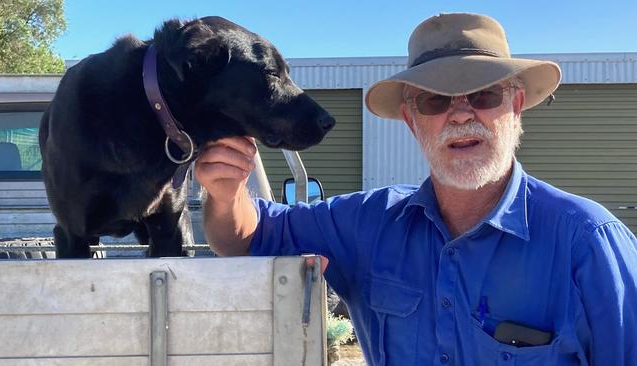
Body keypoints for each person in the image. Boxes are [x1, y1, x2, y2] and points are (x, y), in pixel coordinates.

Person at [194, 13, 637, 366]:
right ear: (411, 119)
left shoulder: (588, 242)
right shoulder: (365, 225)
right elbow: (245, 238)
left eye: (483, 95)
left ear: (515, 105)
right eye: (435, 100)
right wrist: (226, 191)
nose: (461, 115)